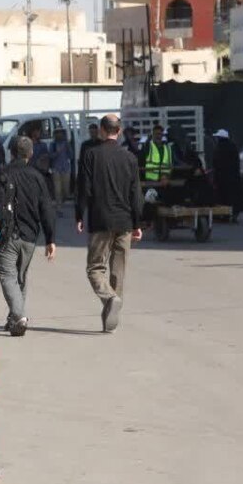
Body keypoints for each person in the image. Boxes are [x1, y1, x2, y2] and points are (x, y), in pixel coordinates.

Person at [0, 136, 57, 337]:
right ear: (30, 153)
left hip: (5, 235)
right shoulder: (38, 176)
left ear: (10, 152)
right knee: (20, 277)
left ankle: (19, 316)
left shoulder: (0, 174)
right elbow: (47, 208)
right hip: (30, 237)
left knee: (7, 275)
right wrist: (50, 239)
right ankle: (14, 320)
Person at [76, 115, 143, 333]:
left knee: (95, 267)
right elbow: (136, 194)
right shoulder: (130, 158)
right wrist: (137, 223)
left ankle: (110, 298)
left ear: (102, 131)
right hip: (124, 221)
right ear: (119, 131)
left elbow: (83, 188)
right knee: (118, 270)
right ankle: (111, 318)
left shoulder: (91, 155)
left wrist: (79, 214)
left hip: (101, 219)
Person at [211, 129, 243, 222]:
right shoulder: (233, 147)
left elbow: (216, 163)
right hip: (234, 177)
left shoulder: (219, 148)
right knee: (234, 197)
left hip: (222, 177)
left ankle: (224, 214)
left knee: (223, 197)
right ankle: (234, 214)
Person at [49, 128, 73, 209]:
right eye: (57, 133)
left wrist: (68, 147)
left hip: (66, 168)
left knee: (66, 190)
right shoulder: (53, 144)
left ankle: (62, 200)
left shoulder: (66, 144)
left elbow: (71, 156)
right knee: (57, 189)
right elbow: (50, 156)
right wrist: (57, 152)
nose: (59, 135)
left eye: (60, 133)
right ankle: (59, 206)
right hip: (56, 169)